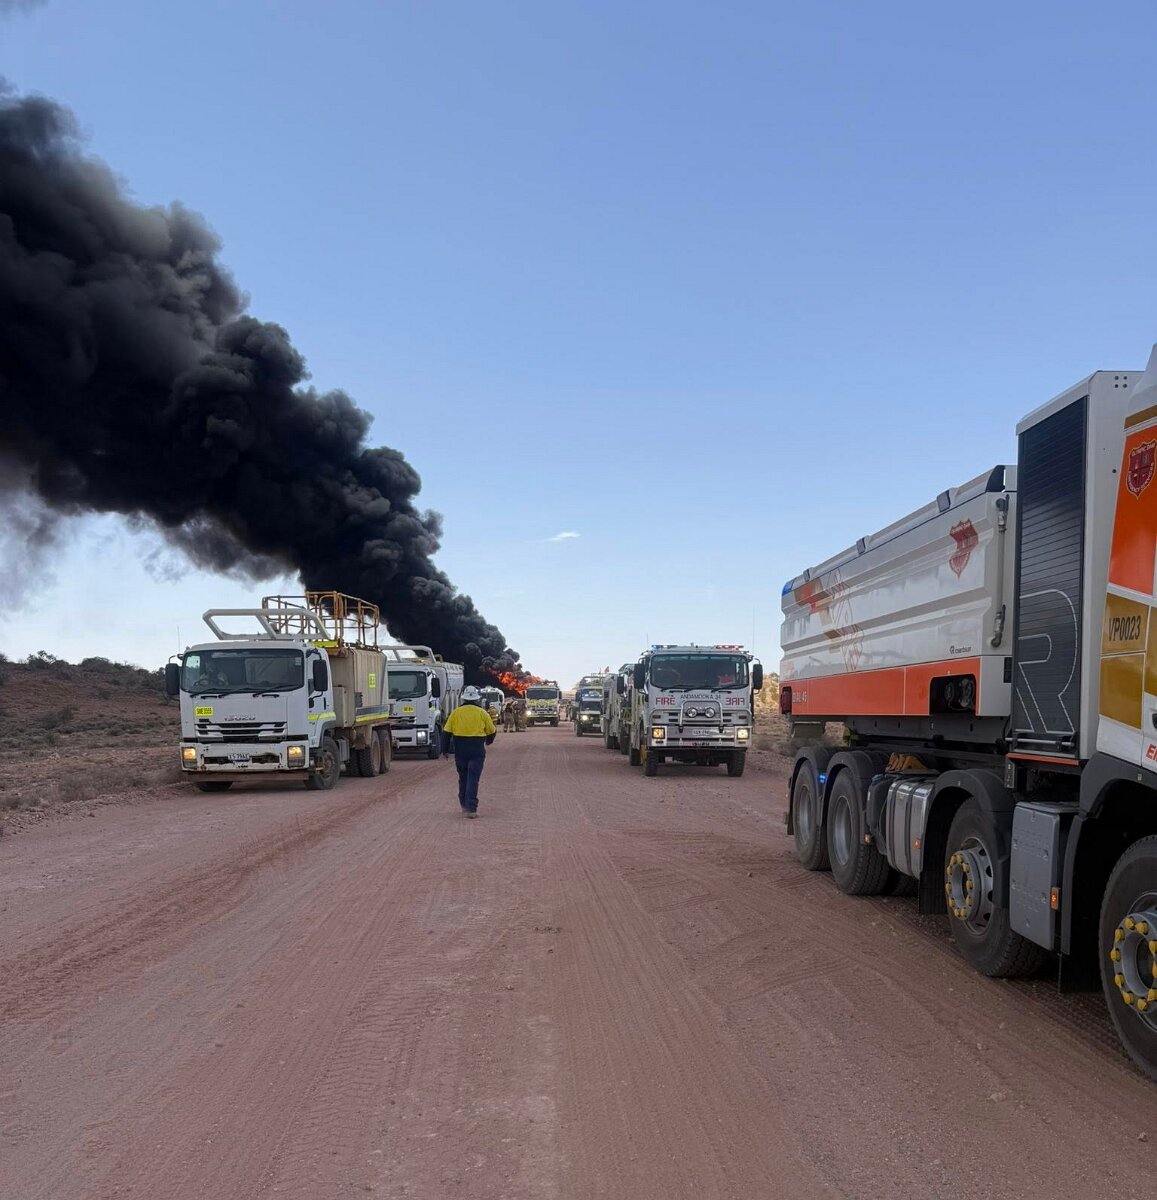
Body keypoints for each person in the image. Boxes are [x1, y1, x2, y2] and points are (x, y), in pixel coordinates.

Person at [442, 685, 496, 818]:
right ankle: (471, 808)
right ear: (477, 699)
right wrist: (488, 741)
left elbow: (446, 733)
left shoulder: (456, 713)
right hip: (477, 751)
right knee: (473, 778)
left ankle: (464, 804)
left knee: (463, 778)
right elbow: (492, 731)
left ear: (463, 698)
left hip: (460, 751)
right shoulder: (482, 713)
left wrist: (445, 750)